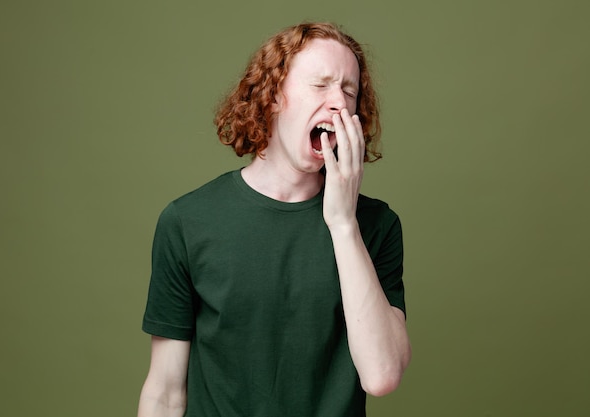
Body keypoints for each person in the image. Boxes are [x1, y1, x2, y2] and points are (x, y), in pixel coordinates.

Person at [137, 22, 411, 417]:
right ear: (272, 96)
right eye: (321, 85)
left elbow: (381, 375)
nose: (339, 102)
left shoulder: (376, 225)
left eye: (349, 90)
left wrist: (344, 224)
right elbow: (164, 393)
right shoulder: (187, 221)